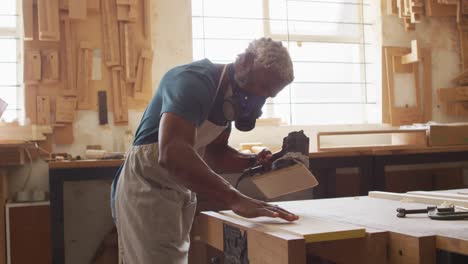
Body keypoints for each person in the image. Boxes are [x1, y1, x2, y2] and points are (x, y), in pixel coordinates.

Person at [112, 38, 298, 263]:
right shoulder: (193, 81)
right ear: (245, 62)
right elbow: (172, 152)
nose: (259, 101)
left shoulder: (227, 100)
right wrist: (234, 198)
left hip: (178, 191)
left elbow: (214, 155)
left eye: (268, 96)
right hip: (147, 190)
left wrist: (254, 163)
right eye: (262, 87)